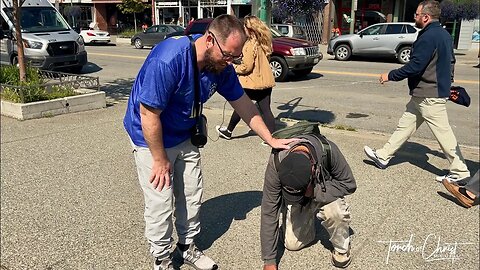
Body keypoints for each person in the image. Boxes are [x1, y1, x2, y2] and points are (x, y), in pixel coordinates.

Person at [123, 14, 295, 270]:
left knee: (192, 193)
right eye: (229, 55)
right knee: (160, 199)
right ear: (210, 40)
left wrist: (270, 138)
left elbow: (244, 104)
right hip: (151, 136)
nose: (232, 62)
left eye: (236, 57)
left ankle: (187, 246)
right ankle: (162, 258)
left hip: (185, 132)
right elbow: (148, 114)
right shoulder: (169, 59)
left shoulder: (221, 67)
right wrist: (159, 160)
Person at [364, 0, 470, 183]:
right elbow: (451, 61)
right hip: (427, 92)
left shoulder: (428, 36)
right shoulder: (444, 34)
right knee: (405, 126)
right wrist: (447, 82)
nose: (415, 17)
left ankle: (460, 172)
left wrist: (390, 75)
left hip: (429, 94)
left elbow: (415, 66)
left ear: (426, 17)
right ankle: (383, 156)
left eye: (417, 14)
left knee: (443, 133)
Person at [261, 134, 356, 269]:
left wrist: (314, 192)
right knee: (292, 245)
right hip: (304, 196)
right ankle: (308, 221)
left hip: (323, 190)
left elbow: (349, 184)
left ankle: (342, 248)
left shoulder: (329, 150)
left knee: (335, 213)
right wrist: (269, 261)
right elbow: (269, 210)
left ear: (313, 168)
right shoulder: (276, 162)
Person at [216, 15, 276, 139]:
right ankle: (273, 136)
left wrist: (234, 68)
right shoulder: (265, 41)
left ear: (249, 29)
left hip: (252, 83)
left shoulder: (250, 44)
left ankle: (228, 131)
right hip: (265, 81)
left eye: (244, 27)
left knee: (240, 106)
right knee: (266, 110)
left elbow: (246, 66)